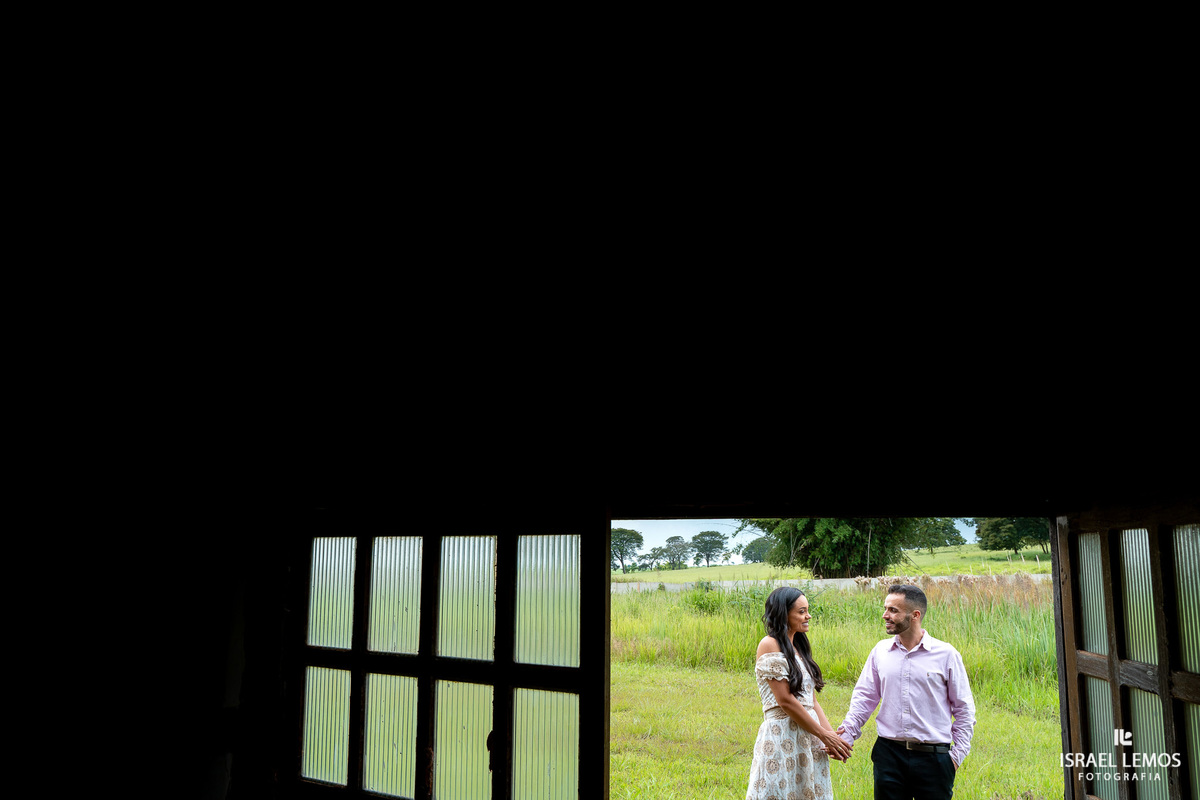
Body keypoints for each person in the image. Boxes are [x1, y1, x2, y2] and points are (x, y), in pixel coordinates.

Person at [836, 583, 976, 800]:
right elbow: (864, 698)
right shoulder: (880, 652)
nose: (885, 615)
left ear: (915, 615)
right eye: (885, 609)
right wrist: (846, 736)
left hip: (934, 760)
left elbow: (964, 709)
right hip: (889, 756)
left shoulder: (946, 654)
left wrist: (956, 757)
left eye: (893, 610)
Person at [747, 586, 852, 800]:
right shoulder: (769, 644)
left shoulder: (799, 647)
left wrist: (831, 738)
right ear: (784, 614)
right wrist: (823, 734)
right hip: (782, 734)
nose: (808, 616)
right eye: (802, 611)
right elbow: (785, 701)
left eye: (807, 610)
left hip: (809, 735)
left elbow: (811, 702)